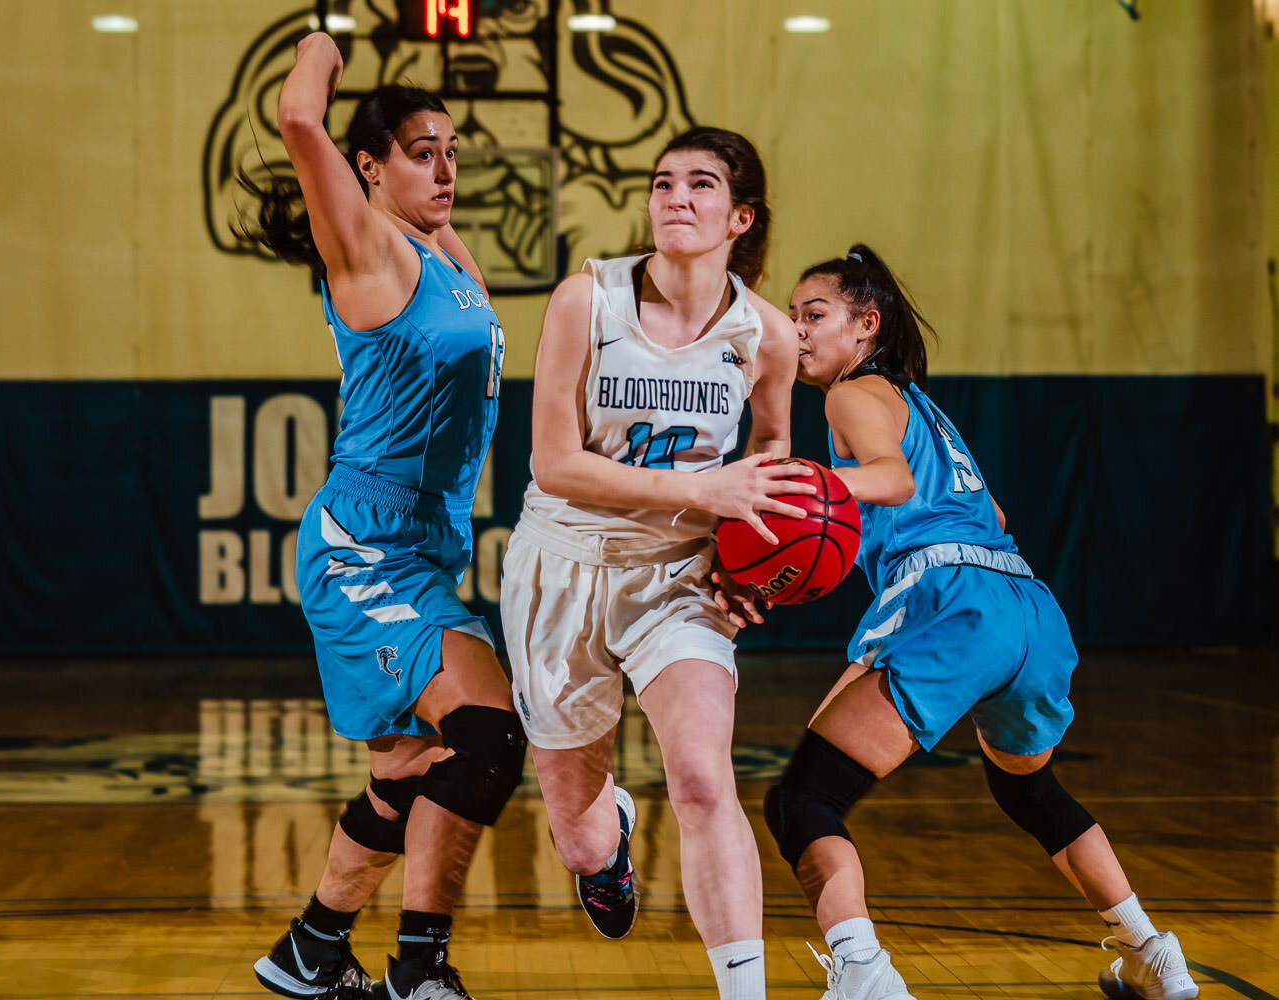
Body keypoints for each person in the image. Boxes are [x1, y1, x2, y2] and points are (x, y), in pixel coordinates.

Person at [765, 244, 1201, 1000]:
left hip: (951, 599)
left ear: (866, 325)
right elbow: (993, 513)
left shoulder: (848, 397)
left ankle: (865, 974)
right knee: (1030, 792)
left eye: (815, 315)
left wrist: (801, 489)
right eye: (793, 316)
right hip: (1026, 604)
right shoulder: (923, 408)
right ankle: (1152, 952)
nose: (798, 330)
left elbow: (893, 482)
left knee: (802, 799)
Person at [234, 32, 525, 1000]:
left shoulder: (443, 251)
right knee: (485, 735)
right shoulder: (364, 245)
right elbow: (296, 116)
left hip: (420, 551)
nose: (445, 167)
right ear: (370, 167)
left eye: (451, 149)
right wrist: (329, 37)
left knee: (407, 771)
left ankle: (311, 950)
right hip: (363, 548)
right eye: (420, 150)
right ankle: (420, 968)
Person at [499, 126, 809, 1000]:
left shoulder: (767, 335)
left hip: (677, 575)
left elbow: (774, 461)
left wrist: (755, 569)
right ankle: (609, 836)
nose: (677, 197)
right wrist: (711, 494)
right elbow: (553, 464)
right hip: (562, 565)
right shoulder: (584, 300)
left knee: (706, 777)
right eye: (664, 182)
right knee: (579, 836)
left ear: (739, 217)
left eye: (702, 185)